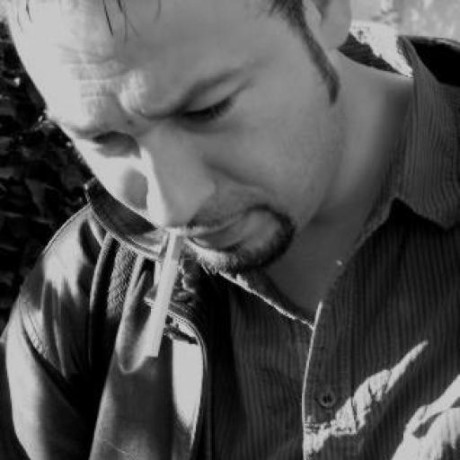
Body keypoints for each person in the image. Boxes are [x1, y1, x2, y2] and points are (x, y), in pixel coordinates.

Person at [0, 0, 459, 458]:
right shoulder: (86, 286)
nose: (172, 207)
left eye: (206, 110)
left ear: (320, 9)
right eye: (104, 139)